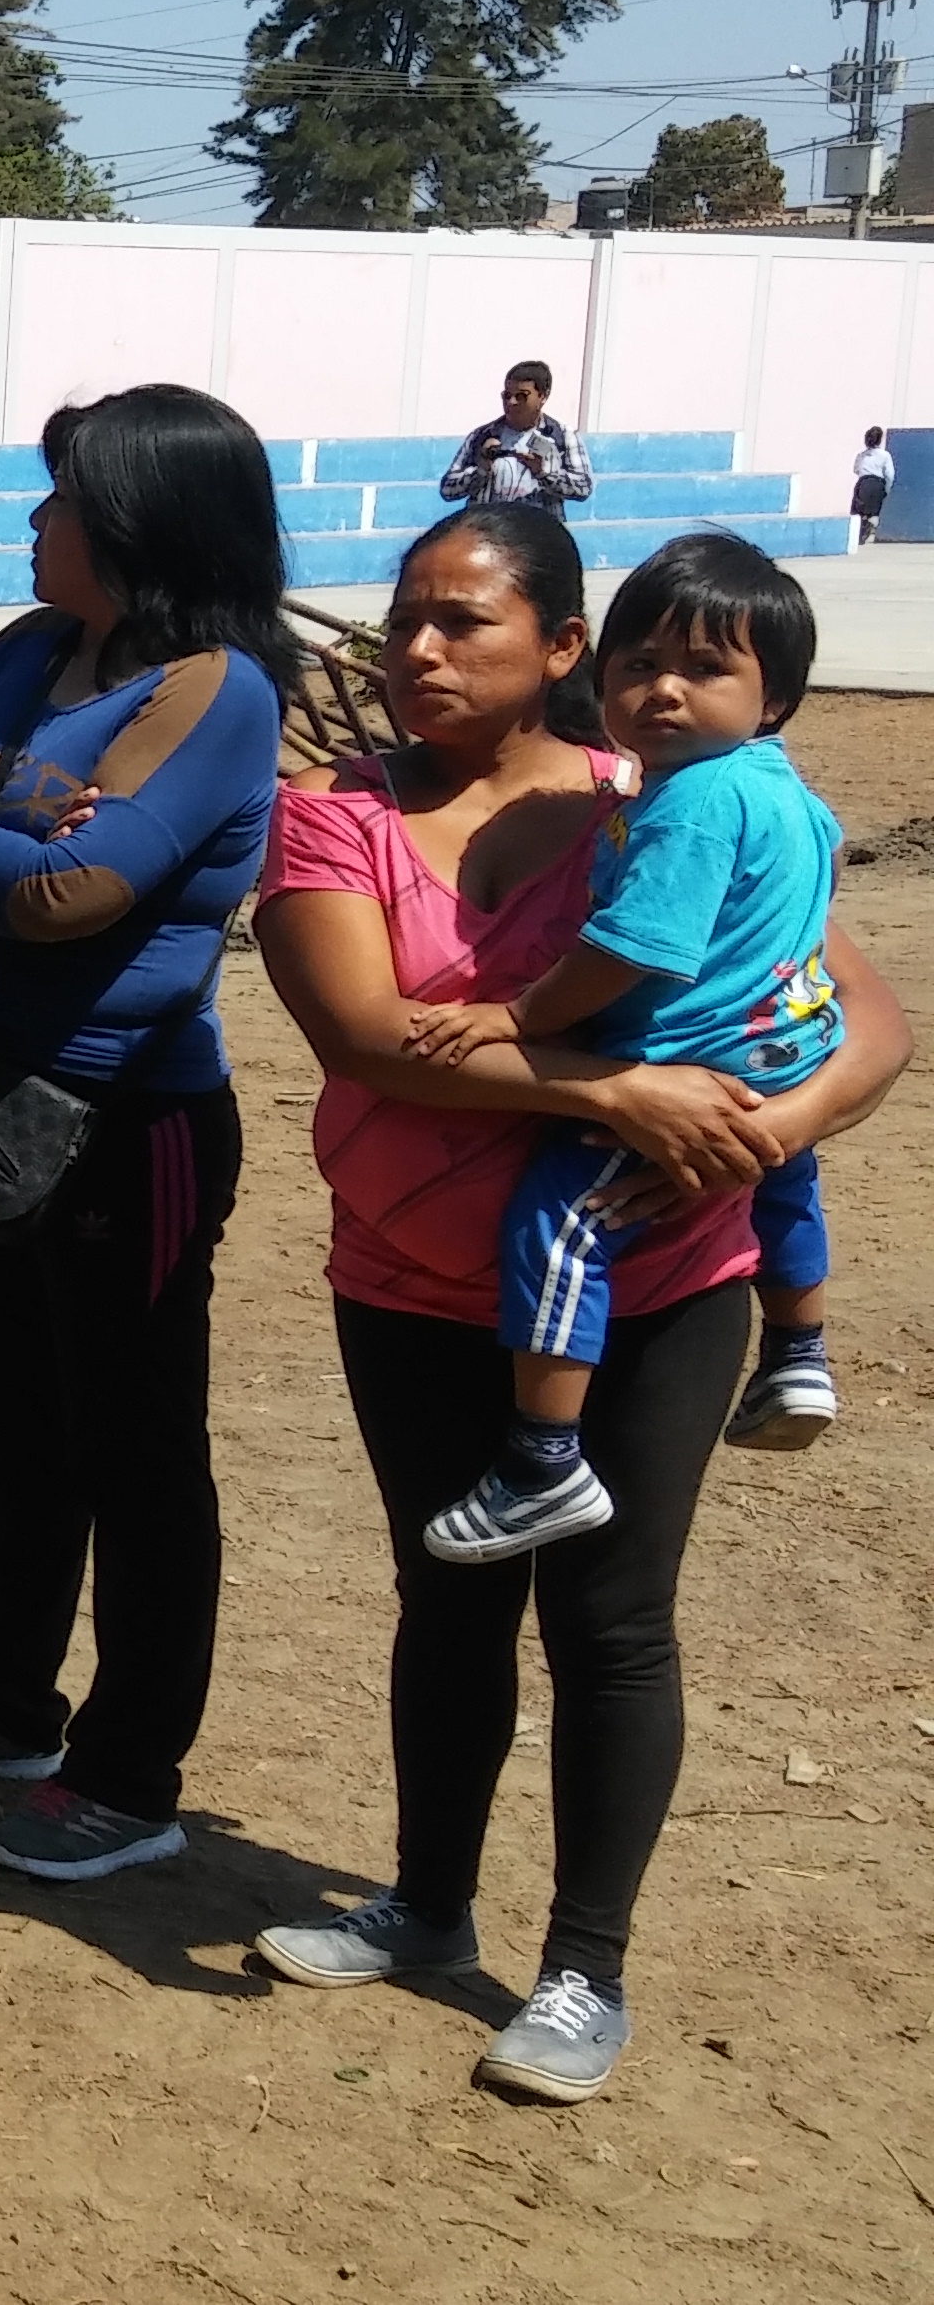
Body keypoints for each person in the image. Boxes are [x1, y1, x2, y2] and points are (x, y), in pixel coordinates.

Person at [248, 501, 907, 2105]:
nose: (417, 647)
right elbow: (373, 1040)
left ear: (560, 650)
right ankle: (423, 1905)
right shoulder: (336, 821)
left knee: (613, 1623)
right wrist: (629, 1098)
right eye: (406, 614)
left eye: (464, 621)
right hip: (411, 1284)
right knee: (448, 1602)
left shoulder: (673, 799)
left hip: (663, 1278)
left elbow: (864, 1015)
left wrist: (769, 1126)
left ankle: (581, 1971)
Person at [0, 384, 289, 1886]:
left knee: (140, 1457)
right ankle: (6, 1700)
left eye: (63, 501)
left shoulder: (213, 694)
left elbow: (63, 899)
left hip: (127, 1123)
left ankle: (129, 1769)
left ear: (142, 521)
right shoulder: (31, 653)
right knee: (17, 1435)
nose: (38, 525)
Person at [397, 534, 844, 1557]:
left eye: (703, 670)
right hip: (785, 1043)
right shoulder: (784, 789)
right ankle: (796, 1348)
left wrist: (519, 1016)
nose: (662, 693)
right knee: (780, 1181)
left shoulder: (689, 802)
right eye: (637, 665)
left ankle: (541, 1457)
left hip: (691, 1061)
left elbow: (630, 949)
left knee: (558, 1226)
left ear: (771, 698)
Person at [441, 360, 593, 513]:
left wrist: (543, 474)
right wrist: (481, 470)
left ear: (543, 397)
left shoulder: (562, 436)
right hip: (490, 531)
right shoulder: (482, 436)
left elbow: (583, 488)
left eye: (521, 396)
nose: (511, 402)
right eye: (507, 396)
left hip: (539, 532)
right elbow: (448, 489)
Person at [853, 424, 894, 546]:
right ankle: (870, 534)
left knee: (859, 510)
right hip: (877, 483)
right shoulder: (884, 455)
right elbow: (889, 474)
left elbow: (856, 469)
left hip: (863, 482)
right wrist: (887, 488)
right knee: (874, 511)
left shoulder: (861, 455)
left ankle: (859, 532)